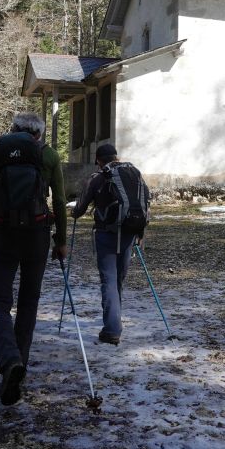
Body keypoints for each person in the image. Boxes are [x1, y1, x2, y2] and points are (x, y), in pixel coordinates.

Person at [0, 111, 68, 405]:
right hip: (37, 233)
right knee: (28, 302)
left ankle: (9, 360)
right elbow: (59, 200)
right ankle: (18, 362)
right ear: (39, 134)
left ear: (13, 129)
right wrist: (60, 241)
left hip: (3, 233)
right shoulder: (48, 155)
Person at [71, 144, 150, 346]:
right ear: (116, 156)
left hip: (106, 234)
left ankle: (112, 329)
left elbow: (79, 209)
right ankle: (115, 319)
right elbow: (145, 200)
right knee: (118, 280)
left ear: (98, 160)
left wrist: (73, 212)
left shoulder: (97, 177)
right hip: (129, 233)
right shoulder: (134, 173)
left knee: (109, 280)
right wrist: (141, 232)